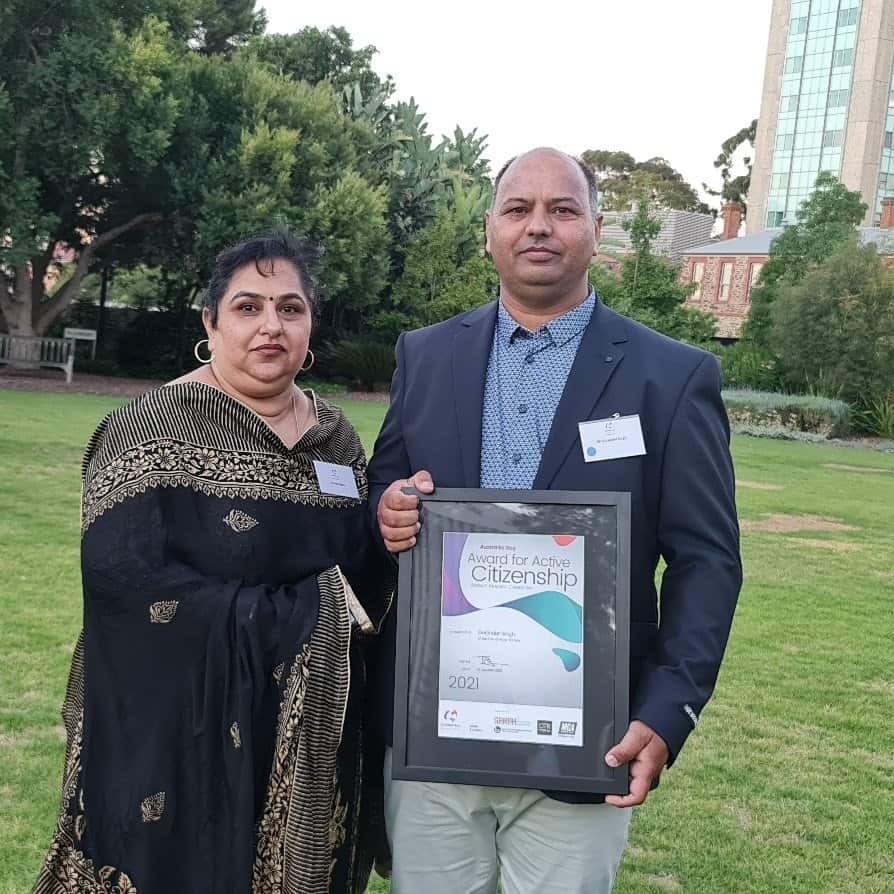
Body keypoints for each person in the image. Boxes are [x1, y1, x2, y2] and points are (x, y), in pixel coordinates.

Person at [367, 147, 742, 893]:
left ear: (596, 232)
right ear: (490, 232)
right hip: (434, 729)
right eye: (518, 209)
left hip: (587, 737)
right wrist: (389, 509)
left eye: (563, 210)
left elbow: (707, 560)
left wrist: (669, 711)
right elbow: (390, 481)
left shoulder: (671, 377)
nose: (539, 226)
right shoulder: (427, 355)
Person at [34, 230, 391, 893]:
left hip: (309, 740)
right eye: (248, 307)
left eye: (290, 308)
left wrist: (392, 533)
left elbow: (362, 581)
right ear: (211, 322)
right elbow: (124, 588)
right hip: (180, 740)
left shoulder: (336, 440)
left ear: (310, 325)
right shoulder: (149, 430)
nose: (270, 327)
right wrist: (294, 619)